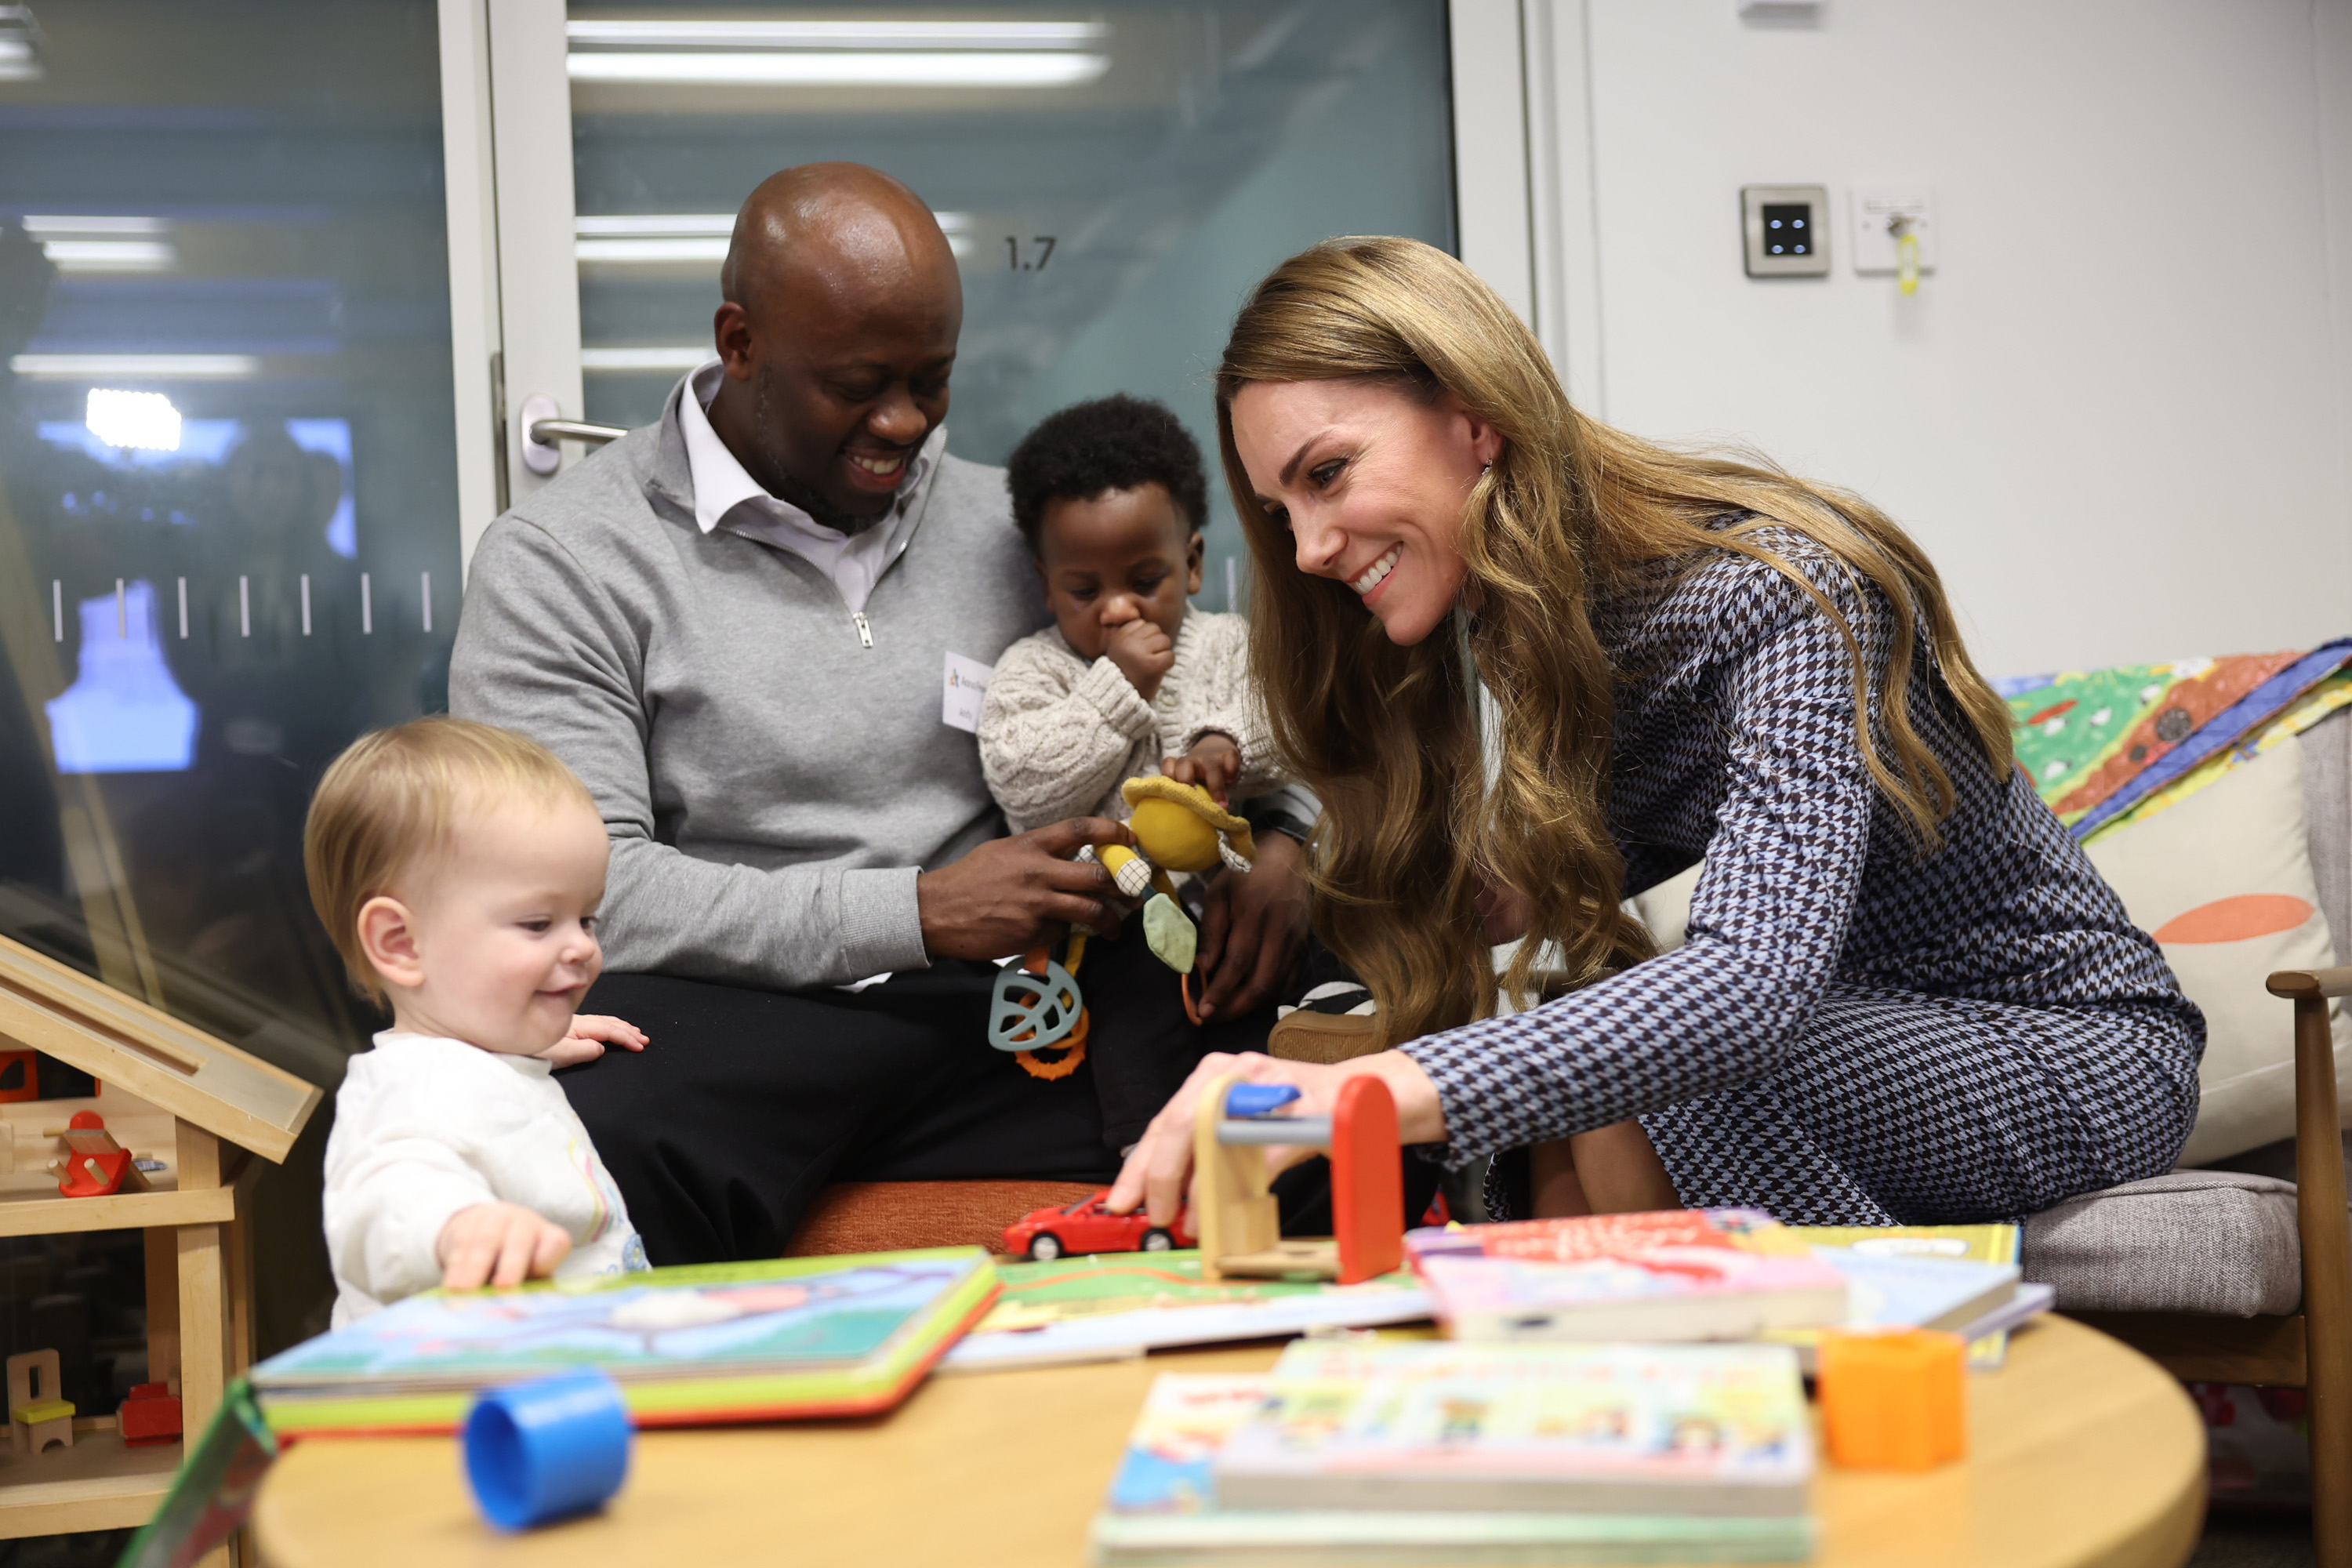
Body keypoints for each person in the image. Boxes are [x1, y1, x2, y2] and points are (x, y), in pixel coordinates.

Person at [1110, 237, 2203, 1230]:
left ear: (1473, 415)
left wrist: (1353, 1095)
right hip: (1858, 1028)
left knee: (1665, 1062)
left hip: (2074, 1044)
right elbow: (1546, 878)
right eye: (1281, 511)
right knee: (1567, 1096)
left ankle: (1804, 1401)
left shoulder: (1787, 592)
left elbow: (1748, 986)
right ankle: (1626, 1416)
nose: (1305, 551)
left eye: (1327, 474)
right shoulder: (1529, 622)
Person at [448, 164, 1316, 1263]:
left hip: (1016, 1007)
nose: (904, 424)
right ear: (741, 343)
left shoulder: (1021, 533)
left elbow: (1220, 687)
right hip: (744, 1012)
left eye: (934, 381)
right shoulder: (568, 561)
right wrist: (915, 911)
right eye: (860, 383)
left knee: (1292, 1082)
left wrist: (1288, 839)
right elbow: (585, 892)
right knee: (584, 1140)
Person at [979, 394, 1291, 1147]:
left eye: (1144, 579)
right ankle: (1149, 1163)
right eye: (1084, 591)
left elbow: (1291, 730)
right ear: (1046, 582)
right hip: (1113, 922)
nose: (1117, 610)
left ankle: (1273, 1152)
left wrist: (1224, 745)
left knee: (1266, 1004)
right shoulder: (1035, 669)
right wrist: (1120, 688)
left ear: (1190, 564)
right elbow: (1023, 783)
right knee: (1136, 1021)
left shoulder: (1227, 643)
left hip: (1229, 898)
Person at [306, 717, 650, 1325]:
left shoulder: (473, 1059)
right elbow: (387, 1192)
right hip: (454, 1408)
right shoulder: (408, 1091)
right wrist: (458, 1226)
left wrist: (531, 1044)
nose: (581, 949)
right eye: (539, 925)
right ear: (402, 944)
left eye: (587, 919)